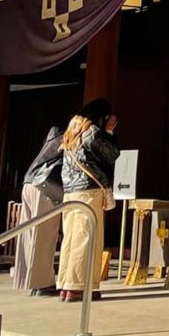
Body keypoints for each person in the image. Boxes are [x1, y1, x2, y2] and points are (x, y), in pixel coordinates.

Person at [56, 98, 119, 303]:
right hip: (89, 191)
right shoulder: (92, 132)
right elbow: (112, 155)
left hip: (70, 192)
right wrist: (109, 132)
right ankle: (79, 288)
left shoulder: (71, 132)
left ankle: (66, 284)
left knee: (71, 238)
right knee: (87, 238)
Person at [12, 124, 64, 295]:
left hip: (30, 182)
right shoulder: (69, 138)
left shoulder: (52, 140)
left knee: (28, 234)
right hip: (46, 187)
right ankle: (42, 283)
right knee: (44, 235)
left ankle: (27, 278)